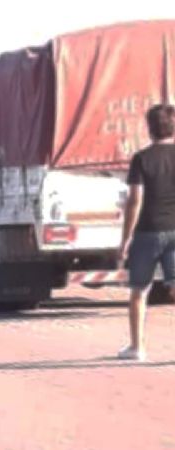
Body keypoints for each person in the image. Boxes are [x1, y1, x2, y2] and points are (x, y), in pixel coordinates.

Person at [117, 103, 175, 361]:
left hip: (147, 231)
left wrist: (125, 238)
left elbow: (134, 200)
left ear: (149, 129)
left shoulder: (142, 159)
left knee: (139, 291)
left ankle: (137, 347)